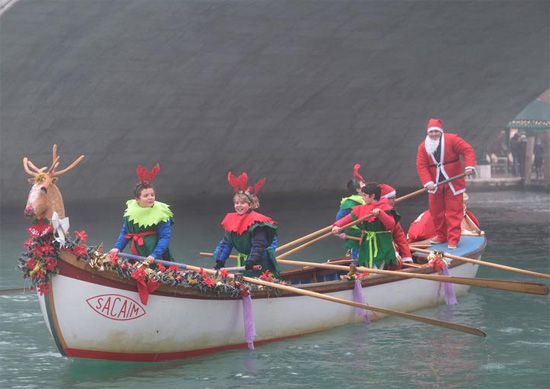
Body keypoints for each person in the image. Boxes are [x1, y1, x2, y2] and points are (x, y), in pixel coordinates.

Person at [416, 118, 476, 250]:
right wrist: (427, 182)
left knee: (453, 212)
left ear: (441, 132)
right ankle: (441, 235)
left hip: (453, 181)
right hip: (434, 184)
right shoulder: (423, 147)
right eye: (431, 132)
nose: (433, 134)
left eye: (436, 132)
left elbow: (467, 150)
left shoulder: (452, 139)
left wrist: (469, 166)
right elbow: (421, 165)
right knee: (436, 212)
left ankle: (453, 239)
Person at [213, 172, 280, 277]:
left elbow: (258, 245)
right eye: (237, 203)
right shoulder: (231, 221)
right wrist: (219, 262)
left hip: (261, 262)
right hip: (247, 263)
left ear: (250, 205)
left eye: (243, 203)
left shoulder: (257, 223)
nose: (239, 206)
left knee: (262, 281)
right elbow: (226, 243)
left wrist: (251, 261)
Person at [109, 164, 174, 264]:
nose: (150, 197)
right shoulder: (130, 213)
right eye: (146, 196)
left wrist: (154, 255)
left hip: (157, 257)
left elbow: (164, 237)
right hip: (137, 254)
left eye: (152, 195)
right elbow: (125, 233)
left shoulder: (162, 213)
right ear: (137, 199)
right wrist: (117, 248)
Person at [332, 182, 399, 271]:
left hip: (382, 242)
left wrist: (380, 214)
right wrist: (337, 226)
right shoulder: (362, 208)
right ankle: (370, 276)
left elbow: (391, 224)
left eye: (364, 195)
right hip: (367, 242)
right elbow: (348, 219)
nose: (362, 198)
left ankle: (375, 276)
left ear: (372, 196)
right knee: (366, 262)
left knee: (378, 264)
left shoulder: (385, 207)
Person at [407, 192, 481, 244]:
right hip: (417, 241)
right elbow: (415, 238)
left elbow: (474, 230)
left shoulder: (461, 212)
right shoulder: (430, 218)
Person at [334, 164, 367, 268]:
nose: (365, 185)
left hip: (367, 231)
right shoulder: (350, 203)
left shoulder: (368, 198)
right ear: (358, 189)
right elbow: (340, 217)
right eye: (362, 184)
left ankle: (367, 267)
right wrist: (340, 231)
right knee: (356, 253)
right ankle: (355, 268)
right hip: (356, 232)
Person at [379, 184, 412, 264]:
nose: (395, 200)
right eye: (393, 198)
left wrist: (406, 257)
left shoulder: (391, 213)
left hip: (390, 249)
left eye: (395, 198)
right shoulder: (371, 214)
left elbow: (400, 237)